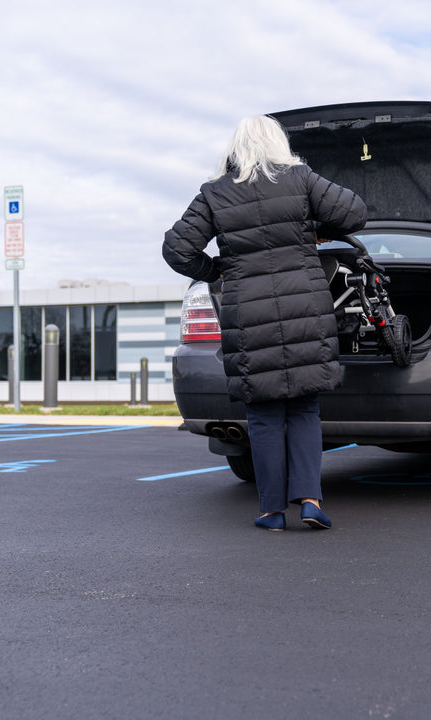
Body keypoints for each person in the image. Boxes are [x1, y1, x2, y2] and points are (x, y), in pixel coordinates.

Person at [163, 115, 366, 531]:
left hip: (247, 313)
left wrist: (216, 270)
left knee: (264, 413)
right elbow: (355, 214)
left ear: (235, 150)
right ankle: (310, 501)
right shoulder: (300, 179)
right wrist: (315, 229)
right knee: (306, 407)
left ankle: (271, 511)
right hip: (304, 308)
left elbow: (176, 249)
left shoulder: (215, 193)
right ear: (278, 144)